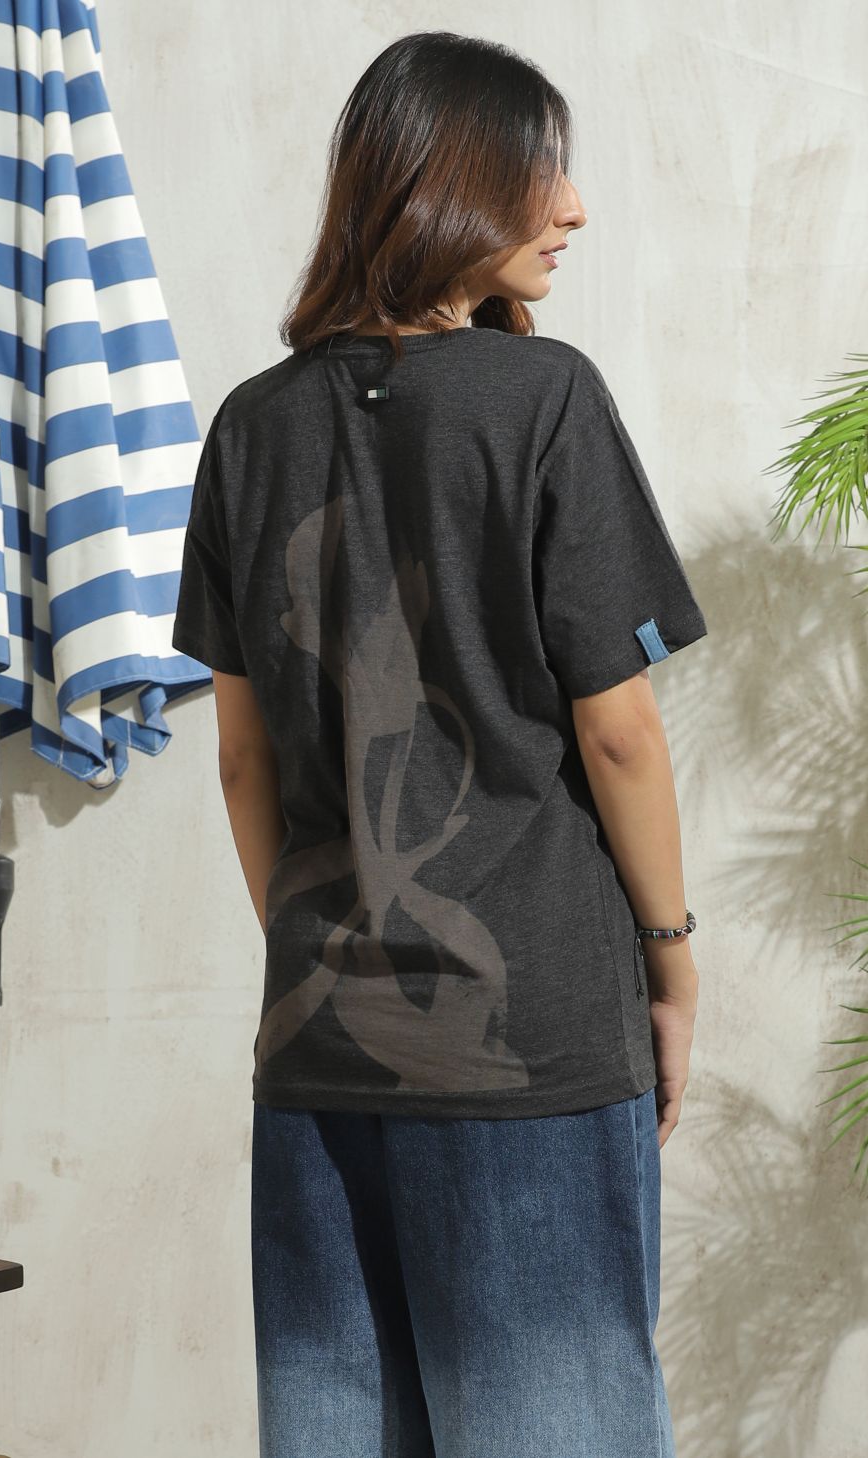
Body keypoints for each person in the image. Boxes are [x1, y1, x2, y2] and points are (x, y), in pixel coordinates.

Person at [172, 28, 706, 1458]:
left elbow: (241, 760)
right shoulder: (545, 401)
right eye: (545, 172)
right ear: (453, 183)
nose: (574, 208)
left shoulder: (249, 428)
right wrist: (671, 958)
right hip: (532, 1033)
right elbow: (620, 733)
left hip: (321, 1037)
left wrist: (326, 944)